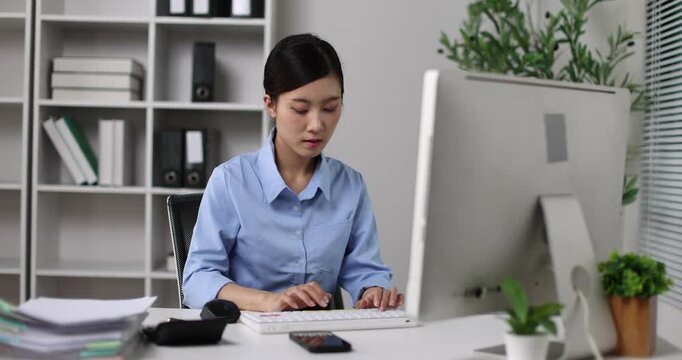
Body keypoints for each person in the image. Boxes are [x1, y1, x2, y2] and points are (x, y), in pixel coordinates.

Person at [182, 33, 404, 312]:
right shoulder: (230, 180)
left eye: (329, 108)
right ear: (270, 105)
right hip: (247, 339)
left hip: (320, 341)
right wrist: (269, 301)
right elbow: (197, 280)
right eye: (300, 109)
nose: (316, 125)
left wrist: (373, 291)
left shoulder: (350, 185)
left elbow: (364, 268)